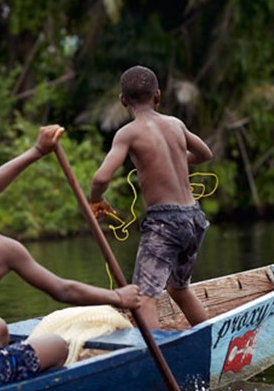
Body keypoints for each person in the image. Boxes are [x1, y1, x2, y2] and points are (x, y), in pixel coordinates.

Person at [0, 126, 141, 391]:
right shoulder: (2, 248)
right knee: (58, 347)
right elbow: (62, 290)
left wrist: (36, 152)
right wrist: (117, 296)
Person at [89, 65, 214, 330]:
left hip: (165, 222)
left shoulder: (128, 133)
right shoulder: (176, 124)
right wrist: (178, 160)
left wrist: (96, 199)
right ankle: (211, 339)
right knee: (179, 289)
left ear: (123, 101)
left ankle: (155, 360)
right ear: (157, 96)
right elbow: (205, 154)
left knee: (145, 297)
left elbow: (101, 178)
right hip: (193, 217)